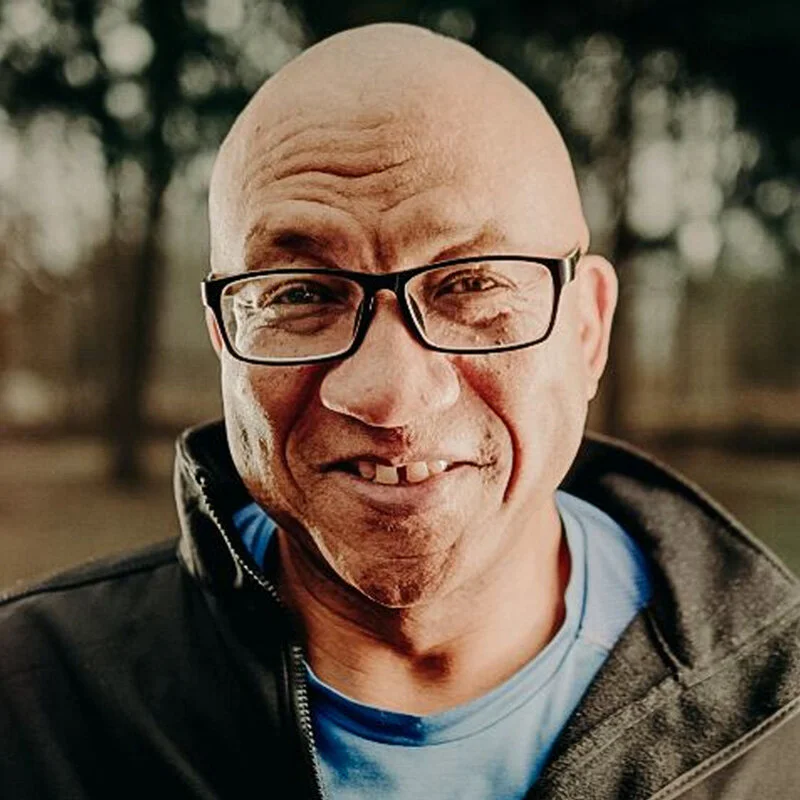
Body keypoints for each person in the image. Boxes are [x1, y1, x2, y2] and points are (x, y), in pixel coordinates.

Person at [1, 23, 799, 800]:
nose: (389, 394)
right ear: (224, 342)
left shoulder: (783, 719)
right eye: (301, 295)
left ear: (587, 328)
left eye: (473, 285)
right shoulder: (34, 708)